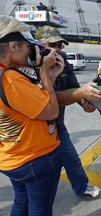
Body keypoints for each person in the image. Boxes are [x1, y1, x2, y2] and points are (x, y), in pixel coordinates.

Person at [0, 15, 64, 215]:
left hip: (10, 156)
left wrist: (47, 78)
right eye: (29, 45)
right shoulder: (10, 79)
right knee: (40, 211)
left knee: (21, 203)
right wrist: (45, 72)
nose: (32, 51)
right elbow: (51, 111)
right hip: (33, 158)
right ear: (13, 46)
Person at [34, 25, 101, 198]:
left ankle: (82, 187)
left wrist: (83, 101)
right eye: (51, 45)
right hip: (36, 131)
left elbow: (73, 88)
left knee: (72, 160)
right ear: (37, 46)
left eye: (59, 46)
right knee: (43, 172)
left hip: (58, 126)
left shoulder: (64, 65)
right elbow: (47, 100)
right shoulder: (30, 68)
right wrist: (79, 94)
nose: (57, 50)